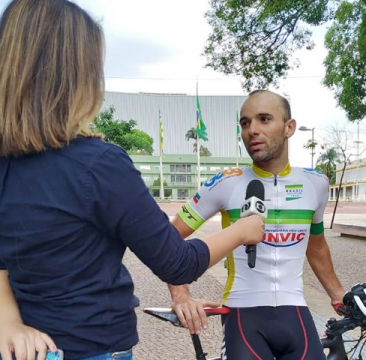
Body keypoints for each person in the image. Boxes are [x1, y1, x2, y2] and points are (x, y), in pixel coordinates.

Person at [0, 1, 264, 360]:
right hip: (92, 348)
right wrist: (245, 230)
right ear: (79, 74)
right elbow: (178, 262)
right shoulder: (98, 165)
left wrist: (8, 320)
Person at [170, 90, 346, 359]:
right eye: (245, 123)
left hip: (296, 311)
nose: (252, 130)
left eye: (264, 119)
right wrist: (181, 296)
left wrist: (338, 296)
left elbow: (316, 246)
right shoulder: (226, 183)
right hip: (242, 313)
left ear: (289, 127)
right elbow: (168, 238)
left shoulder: (316, 184)